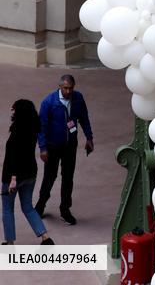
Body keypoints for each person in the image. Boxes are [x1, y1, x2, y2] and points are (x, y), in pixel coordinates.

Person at [35, 75, 93, 225]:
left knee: (68, 178)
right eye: (65, 88)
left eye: (71, 88)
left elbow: (84, 118)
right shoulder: (49, 102)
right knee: (49, 177)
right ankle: (40, 206)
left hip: (70, 146)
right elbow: (41, 127)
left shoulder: (78, 98)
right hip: (53, 147)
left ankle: (65, 209)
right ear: (59, 87)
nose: (68, 91)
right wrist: (43, 148)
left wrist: (89, 138)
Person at [2, 100, 53, 245]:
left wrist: (13, 178)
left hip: (13, 176)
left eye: (15, 109)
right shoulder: (33, 129)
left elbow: (14, 157)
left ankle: (10, 243)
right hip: (30, 174)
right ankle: (45, 238)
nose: (12, 111)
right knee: (28, 207)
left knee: (7, 209)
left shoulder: (17, 132)